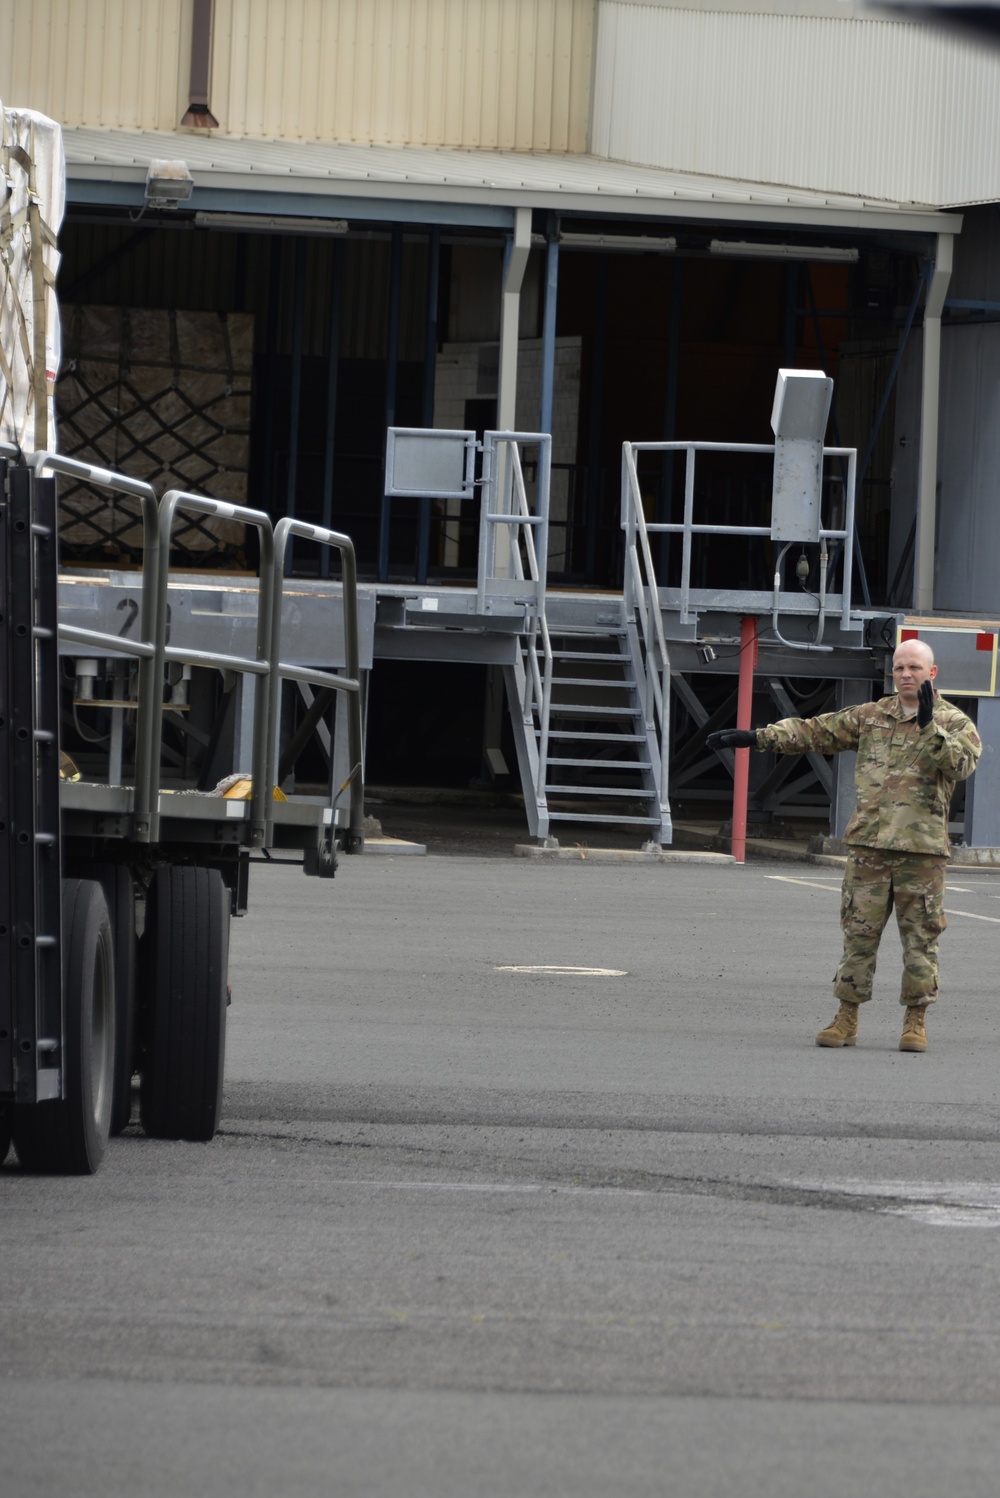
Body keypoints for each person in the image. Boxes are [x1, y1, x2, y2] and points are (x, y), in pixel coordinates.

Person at [706, 639, 981, 1052]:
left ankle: (915, 1022)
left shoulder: (954, 723)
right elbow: (815, 731)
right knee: (858, 935)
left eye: (915, 668)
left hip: (920, 854)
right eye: (899, 668)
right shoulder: (873, 716)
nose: (906, 674)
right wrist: (756, 737)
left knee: (920, 941)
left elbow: (960, 765)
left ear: (932, 673)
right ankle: (847, 1018)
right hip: (869, 847)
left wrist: (930, 727)